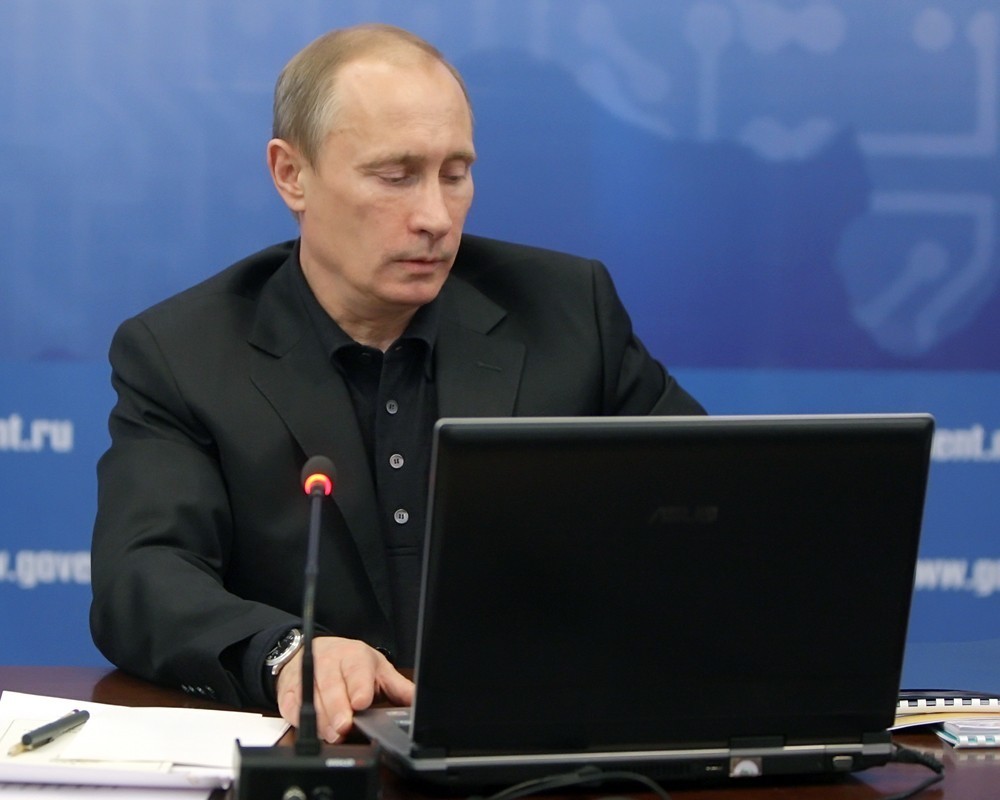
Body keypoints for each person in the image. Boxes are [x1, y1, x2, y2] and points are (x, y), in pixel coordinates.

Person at [90, 23, 704, 745]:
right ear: (291, 174)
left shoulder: (569, 314)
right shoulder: (183, 353)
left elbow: (713, 510)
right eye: (395, 176)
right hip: (324, 755)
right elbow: (143, 577)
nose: (435, 218)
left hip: (542, 744)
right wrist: (288, 650)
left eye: (455, 173)